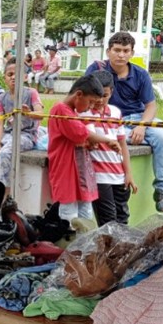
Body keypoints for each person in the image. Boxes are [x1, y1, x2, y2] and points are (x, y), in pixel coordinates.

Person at [86, 32, 163, 211]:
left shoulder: (140, 74)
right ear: (108, 51)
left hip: (139, 118)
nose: (121, 55)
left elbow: (151, 106)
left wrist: (142, 126)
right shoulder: (97, 69)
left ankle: (162, 191)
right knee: (113, 139)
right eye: (117, 50)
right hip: (112, 121)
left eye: (126, 51)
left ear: (132, 53)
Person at [48, 75, 119, 223]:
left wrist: (88, 143)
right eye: (91, 102)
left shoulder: (72, 112)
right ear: (79, 94)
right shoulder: (60, 109)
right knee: (69, 215)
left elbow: (79, 137)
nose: (91, 107)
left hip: (80, 172)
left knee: (86, 213)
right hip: (66, 171)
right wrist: (108, 141)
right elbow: (81, 133)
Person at [88, 69, 137, 226]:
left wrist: (128, 174)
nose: (100, 100)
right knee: (108, 221)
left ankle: (120, 243)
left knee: (122, 218)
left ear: (111, 92)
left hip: (118, 175)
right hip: (99, 176)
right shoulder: (85, 113)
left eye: (105, 95)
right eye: (96, 95)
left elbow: (122, 145)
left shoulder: (115, 113)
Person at [0, 58, 44, 186]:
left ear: (25, 77)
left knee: (5, 153)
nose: (13, 77)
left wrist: (28, 113)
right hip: (8, 134)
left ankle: (5, 192)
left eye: (17, 74)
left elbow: (40, 115)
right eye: (10, 74)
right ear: (4, 78)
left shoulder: (31, 93)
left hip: (26, 136)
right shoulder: (2, 98)